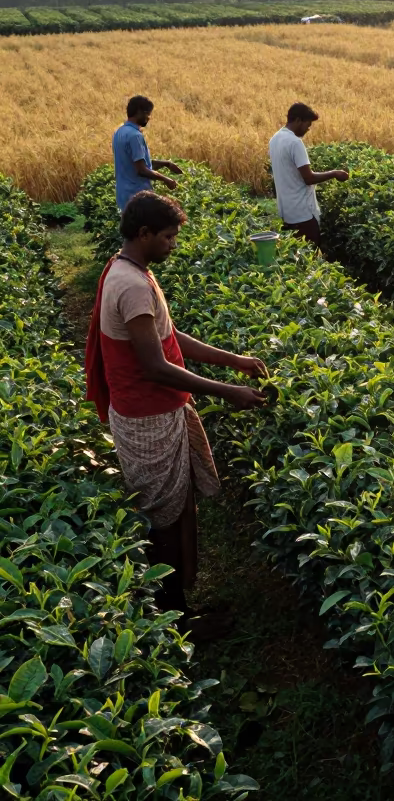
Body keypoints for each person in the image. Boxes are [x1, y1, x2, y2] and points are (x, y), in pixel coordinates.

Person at [85, 192, 267, 630]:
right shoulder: (128, 284)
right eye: (167, 237)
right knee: (162, 521)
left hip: (157, 412)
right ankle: (174, 619)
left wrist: (233, 360)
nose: (172, 245)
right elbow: (155, 365)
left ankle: (180, 604)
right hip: (147, 418)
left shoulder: (131, 271)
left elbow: (169, 335)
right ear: (143, 234)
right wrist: (227, 391)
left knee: (175, 509)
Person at [268, 102, 349, 249]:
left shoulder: (275, 139)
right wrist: (335, 173)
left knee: (294, 255)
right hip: (302, 213)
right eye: (307, 124)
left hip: (286, 211)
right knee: (309, 256)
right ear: (298, 120)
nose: (308, 129)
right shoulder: (295, 142)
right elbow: (309, 178)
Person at [112, 95, 182, 212]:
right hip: (137, 195)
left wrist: (166, 164)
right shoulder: (135, 136)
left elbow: (135, 163)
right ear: (139, 112)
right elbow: (141, 170)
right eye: (147, 113)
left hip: (123, 194)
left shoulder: (119, 132)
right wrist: (166, 180)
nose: (148, 117)